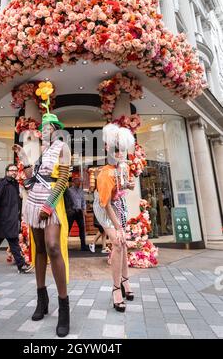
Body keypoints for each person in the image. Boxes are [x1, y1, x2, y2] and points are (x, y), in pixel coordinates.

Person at [14, 87, 71, 338]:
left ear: (57, 129)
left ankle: (64, 306)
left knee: (53, 247)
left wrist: (49, 204)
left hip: (51, 203)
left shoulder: (63, 148)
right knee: (37, 250)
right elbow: (28, 182)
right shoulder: (39, 155)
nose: (46, 132)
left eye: (50, 128)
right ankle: (42, 300)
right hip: (33, 202)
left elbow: (64, 179)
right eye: (43, 129)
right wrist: (25, 159)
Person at [94, 123, 136, 313]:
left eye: (122, 150)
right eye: (116, 150)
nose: (120, 154)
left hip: (119, 206)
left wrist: (129, 185)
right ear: (108, 148)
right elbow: (105, 204)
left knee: (124, 243)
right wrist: (118, 227)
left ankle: (126, 281)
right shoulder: (104, 174)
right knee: (118, 243)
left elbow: (123, 186)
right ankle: (116, 288)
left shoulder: (123, 167)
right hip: (105, 208)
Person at [67, 177, 88, 251]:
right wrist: (68, 210)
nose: (79, 183)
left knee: (82, 228)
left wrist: (84, 209)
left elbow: (83, 201)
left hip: (79, 211)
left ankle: (83, 245)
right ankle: (64, 245)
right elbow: (67, 202)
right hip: (71, 211)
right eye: (77, 181)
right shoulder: (69, 191)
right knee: (68, 228)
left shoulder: (81, 191)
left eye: (79, 181)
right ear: (73, 182)